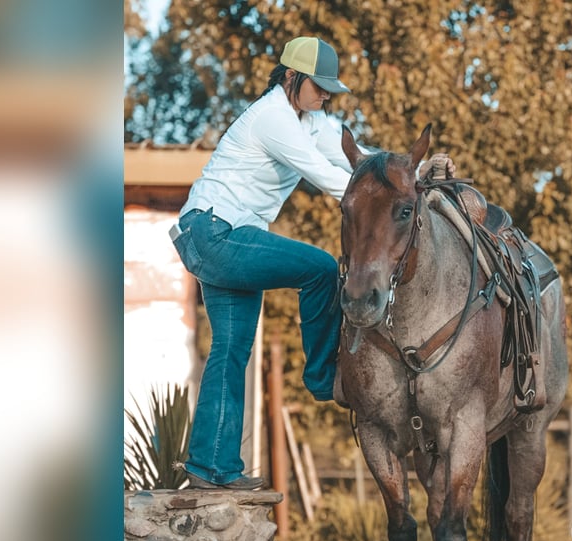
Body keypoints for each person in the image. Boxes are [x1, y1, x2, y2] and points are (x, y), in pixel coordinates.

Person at [170, 36, 455, 490]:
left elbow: (367, 159)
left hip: (225, 237)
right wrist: (391, 196)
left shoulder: (314, 121)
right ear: (291, 78)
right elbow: (333, 179)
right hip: (212, 233)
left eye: (329, 89)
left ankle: (212, 468)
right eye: (318, 87)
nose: (325, 96)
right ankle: (325, 377)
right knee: (321, 268)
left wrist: (416, 173)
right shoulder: (272, 118)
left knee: (230, 352)